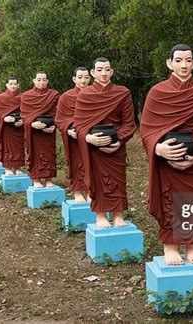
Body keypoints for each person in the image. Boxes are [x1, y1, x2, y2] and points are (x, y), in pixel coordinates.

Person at [140, 44, 193, 265]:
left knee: (192, 202)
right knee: (168, 202)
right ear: (169, 63)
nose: (183, 65)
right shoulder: (157, 92)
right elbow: (146, 131)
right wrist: (158, 148)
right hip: (166, 162)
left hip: (191, 161)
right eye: (179, 60)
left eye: (188, 60)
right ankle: (170, 246)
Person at [74, 57, 136, 228]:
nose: (103, 73)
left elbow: (129, 124)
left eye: (107, 69)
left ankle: (118, 215)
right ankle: (100, 215)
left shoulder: (122, 93)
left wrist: (119, 140)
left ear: (112, 71)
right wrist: (89, 138)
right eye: (99, 70)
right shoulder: (85, 95)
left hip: (115, 145)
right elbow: (79, 125)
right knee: (98, 180)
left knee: (118, 180)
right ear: (93, 73)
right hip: (94, 148)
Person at [55, 67, 91, 203]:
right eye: (80, 77)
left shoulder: (95, 95)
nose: (83, 80)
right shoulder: (66, 97)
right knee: (77, 163)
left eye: (86, 77)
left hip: (91, 137)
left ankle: (90, 191)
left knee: (92, 164)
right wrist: (67, 130)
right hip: (74, 138)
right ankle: (77, 191)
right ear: (74, 79)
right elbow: (59, 119)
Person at [21, 72, 60, 187]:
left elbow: (57, 113)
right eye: (39, 80)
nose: (41, 82)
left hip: (48, 131)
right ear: (34, 81)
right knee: (34, 153)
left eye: (44, 80)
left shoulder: (54, 95)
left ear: (47, 81)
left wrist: (54, 125)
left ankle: (49, 179)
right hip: (33, 132)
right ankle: (36, 179)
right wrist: (32, 124)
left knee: (49, 154)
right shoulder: (26, 96)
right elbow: (24, 115)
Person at [0, 77, 25, 175]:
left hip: (19, 127)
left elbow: (27, 112)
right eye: (11, 84)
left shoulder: (22, 97)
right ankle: (7, 167)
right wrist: (4, 118)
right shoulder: (0, 98)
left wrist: (22, 120)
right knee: (7, 147)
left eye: (15, 84)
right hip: (6, 128)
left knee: (19, 148)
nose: (13, 86)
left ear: (18, 85)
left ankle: (19, 167)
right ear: (7, 85)